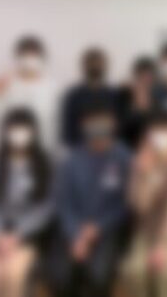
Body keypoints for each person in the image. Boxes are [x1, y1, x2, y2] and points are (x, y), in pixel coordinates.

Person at [0, 108, 55, 297]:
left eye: (25, 130)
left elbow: (47, 206)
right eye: (14, 130)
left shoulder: (45, 164)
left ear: (34, 133)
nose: (19, 135)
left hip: (28, 233)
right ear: (5, 132)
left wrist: (17, 234)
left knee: (12, 273)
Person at [50, 101, 130, 297]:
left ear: (113, 124)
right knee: (61, 274)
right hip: (74, 229)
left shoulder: (124, 158)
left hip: (108, 229)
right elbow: (63, 203)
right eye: (93, 123)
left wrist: (98, 227)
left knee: (98, 275)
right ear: (83, 126)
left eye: (103, 123)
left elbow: (125, 204)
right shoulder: (71, 160)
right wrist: (76, 234)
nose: (98, 129)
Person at [121, 111, 167, 297]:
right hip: (146, 231)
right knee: (134, 270)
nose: (162, 137)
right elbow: (139, 206)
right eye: (157, 132)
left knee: (165, 272)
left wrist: (162, 244)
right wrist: (144, 174)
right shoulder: (140, 161)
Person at [0, 35, 58, 150]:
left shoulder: (53, 88)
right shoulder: (6, 85)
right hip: (11, 150)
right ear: (18, 58)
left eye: (34, 56)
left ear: (42, 59)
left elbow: (58, 123)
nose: (29, 60)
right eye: (25, 56)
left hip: (45, 149)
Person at [60, 47, 118, 148]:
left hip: (110, 150)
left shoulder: (114, 95)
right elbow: (67, 132)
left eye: (98, 62)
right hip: (80, 150)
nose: (95, 66)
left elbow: (120, 128)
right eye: (91, 62)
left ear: (105, 65)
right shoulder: (73, 96)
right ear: (84, 66)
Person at [116, 56, 157, 149]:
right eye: (142, 76)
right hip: (127, 146)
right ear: (136, 76)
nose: (145, 80)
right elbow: (120, 127)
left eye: (149, 76)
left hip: (151, 147)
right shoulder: (124, 96)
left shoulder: (157, 98)